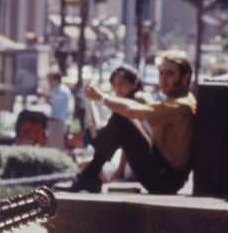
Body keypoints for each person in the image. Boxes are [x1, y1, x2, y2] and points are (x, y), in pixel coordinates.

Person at [71, 51, 196, 195]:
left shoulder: (181, 106)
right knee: (124, 118)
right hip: (165, 172)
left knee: (123, 118)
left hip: (165, 179)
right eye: (161, 73)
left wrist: (102, 97)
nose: (163, 79)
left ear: (185, 78)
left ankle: (89, 176)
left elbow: (132, 111)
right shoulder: (180, 101)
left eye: (170, 74)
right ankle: (90, 175)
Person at [43, 69, 74, 150]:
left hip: (59, 122)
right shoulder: (58, 90)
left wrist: (46, 96)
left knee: (56, 147)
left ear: (55, 80)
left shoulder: (62, 90)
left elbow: (55, 103)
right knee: (52, 146)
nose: (49, 82)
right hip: (55, 121)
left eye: (50, 80)